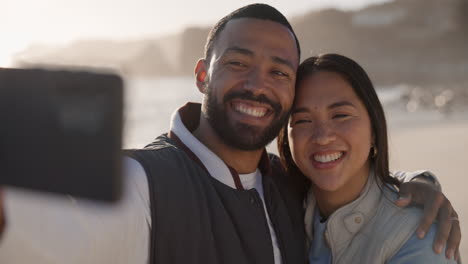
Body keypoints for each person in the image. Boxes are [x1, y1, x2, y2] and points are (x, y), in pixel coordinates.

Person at [0, 4, 461, 264]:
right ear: (203, 75)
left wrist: (415, 185)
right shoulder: (143, 184)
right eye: (238, 63)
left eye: (280, 72)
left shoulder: (287, 184)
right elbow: (43, 229)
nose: (258, 84)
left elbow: (355, 186)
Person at [278, 53, 460, 263]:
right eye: (303, 120)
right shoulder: (281, 209)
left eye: (340, 115)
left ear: (374, 129)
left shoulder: (420, 239)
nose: (322, 137)